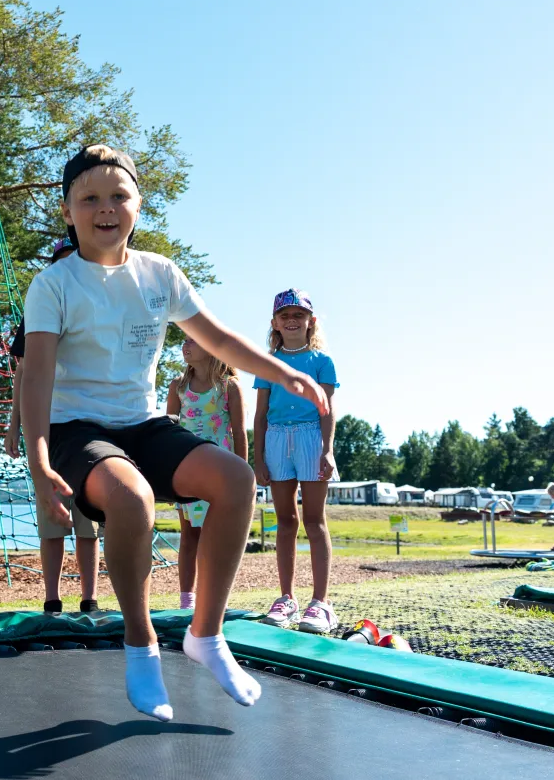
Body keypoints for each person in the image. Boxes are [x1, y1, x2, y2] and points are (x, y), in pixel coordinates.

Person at [20, 145, 328, 722]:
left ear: (137, 205)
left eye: (118, 196)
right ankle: (141, 644)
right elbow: (34, 377)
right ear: (67, 211)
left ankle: (205, 636)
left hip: (142, 424)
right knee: (131, 497)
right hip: (76, 430)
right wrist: (39, 462)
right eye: (90, 198)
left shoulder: (160, 273)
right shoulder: (53, 285)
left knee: (236, 479)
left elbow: (219, 339)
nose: (105, 208)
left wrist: (283, 370)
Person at [5, 237, 100, 615]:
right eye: (59, 261)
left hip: (92, 427)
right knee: (51, 521)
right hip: (49, 431)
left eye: (72, 260)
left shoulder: (95, 309)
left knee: (88, 522)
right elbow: (23, 374)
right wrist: (14, 425)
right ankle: (51, 599)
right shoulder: (37, 312)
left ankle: (90, 599)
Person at [253, 289, 339, 634]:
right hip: (276, 438)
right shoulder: (268, 362)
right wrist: (257, 457)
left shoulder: (322, 361)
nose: (292, 321)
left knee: (314, 519)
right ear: (275, 323)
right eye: (285, 316)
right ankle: (286, 598)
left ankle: (321, 602)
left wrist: (327, 449)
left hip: (310, 438)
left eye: (298, 315)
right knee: (285, 520)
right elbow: (259, 415)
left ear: (310, 321)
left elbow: (327, 410)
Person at [165, 334, 247, 610]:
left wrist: (242, 476)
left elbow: (239, 432)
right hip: (186, 470)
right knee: (190, 534)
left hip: (219, 473)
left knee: (215, 537)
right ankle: (187, 601)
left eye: (192, 341)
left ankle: (212, 599)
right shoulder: (178, 386)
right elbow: (169, 432)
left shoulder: (228, 387)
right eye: (184, 341)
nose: (185, 346)